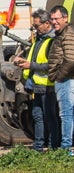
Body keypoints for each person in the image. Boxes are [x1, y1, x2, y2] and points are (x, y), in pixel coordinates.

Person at [19, 15, 60, 152]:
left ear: (47, 23)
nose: (35, 29)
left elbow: (51, 66)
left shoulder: (51, 42)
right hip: (37, 85)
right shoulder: (39, 40)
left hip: (48, 85)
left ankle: (53, 146)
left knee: (50, 116)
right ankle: (38, 147)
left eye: (36, 26)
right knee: (37, 116)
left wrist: (31, 65)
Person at [47, 6, 74, 156]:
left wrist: (60, 77)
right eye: (52, 19)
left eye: (57, 19)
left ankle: (66, 148)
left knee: (66, 115)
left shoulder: (67, 35)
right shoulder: (63, 34)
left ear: (65, 18)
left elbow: (70, 59)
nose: (54, 22)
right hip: (70, 79)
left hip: (67, 80)